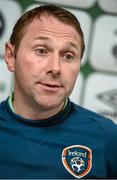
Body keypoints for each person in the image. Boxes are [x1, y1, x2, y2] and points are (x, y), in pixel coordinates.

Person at [0, 4, 117, 179]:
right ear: (11, 56)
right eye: (41, 51)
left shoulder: (107, 137)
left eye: (68, 56)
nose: (55, 68)